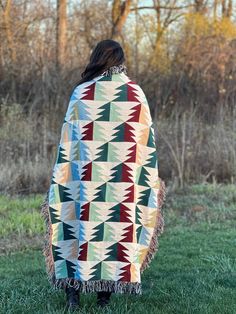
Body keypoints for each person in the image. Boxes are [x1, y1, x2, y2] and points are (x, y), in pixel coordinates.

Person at [40, 39, 166, 310]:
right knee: (113, 233)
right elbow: (144, 146)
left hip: (85, 181)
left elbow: (69, 146)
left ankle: (72, 296)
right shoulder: (135, 94)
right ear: (120, 61)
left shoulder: (82, 93)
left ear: (97, 58)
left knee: (76, 227)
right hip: (120, 185)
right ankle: (103, 298)